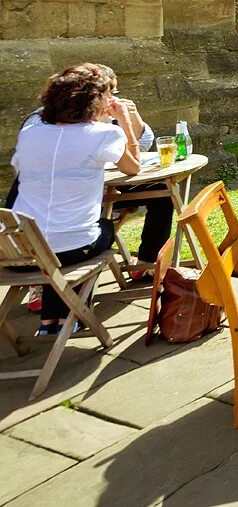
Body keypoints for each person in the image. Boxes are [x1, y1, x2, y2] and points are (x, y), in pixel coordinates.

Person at [11, 64, 142, 335]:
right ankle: (73, 316)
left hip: (19, 250)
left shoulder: (30, 133)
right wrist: (125, 125)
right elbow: (134, 168)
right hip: (69, 248)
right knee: (104, 227)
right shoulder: (104, 134)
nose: (113, 101)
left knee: (52, 235)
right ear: (96, 100)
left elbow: (21, 170)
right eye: (109, 95)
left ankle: (50, 321)